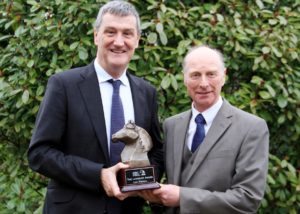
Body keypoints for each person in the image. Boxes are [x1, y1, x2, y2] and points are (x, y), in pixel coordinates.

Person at [27, 1, 163, 213]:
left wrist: (142, 181)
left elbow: (156, 151)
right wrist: (98, 175)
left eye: (127, 33)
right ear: (96, 36)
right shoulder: (64, 85)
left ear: (137, 40)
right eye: (110, 32)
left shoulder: (146, 92)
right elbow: (40, 153)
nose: (119, 42)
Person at [141, 45, 269, 214]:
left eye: (211, 74)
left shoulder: (251, 127)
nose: (203, 83)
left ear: (224, 76)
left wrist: (183, 197)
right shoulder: (172, 126)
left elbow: (247, 198)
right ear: (185, 78)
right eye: (195, 75)